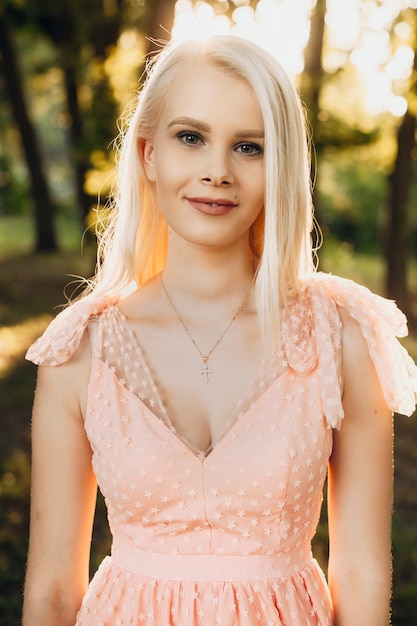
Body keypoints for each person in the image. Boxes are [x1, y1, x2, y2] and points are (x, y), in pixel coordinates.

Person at [22, 34, 417, 626]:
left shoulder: (342, 339)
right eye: (191, 137)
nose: (217, 172)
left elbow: (360, 574)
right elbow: (53, 589)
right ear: (149, 155)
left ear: (279, 162)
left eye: (249, 147)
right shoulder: (81, 349)